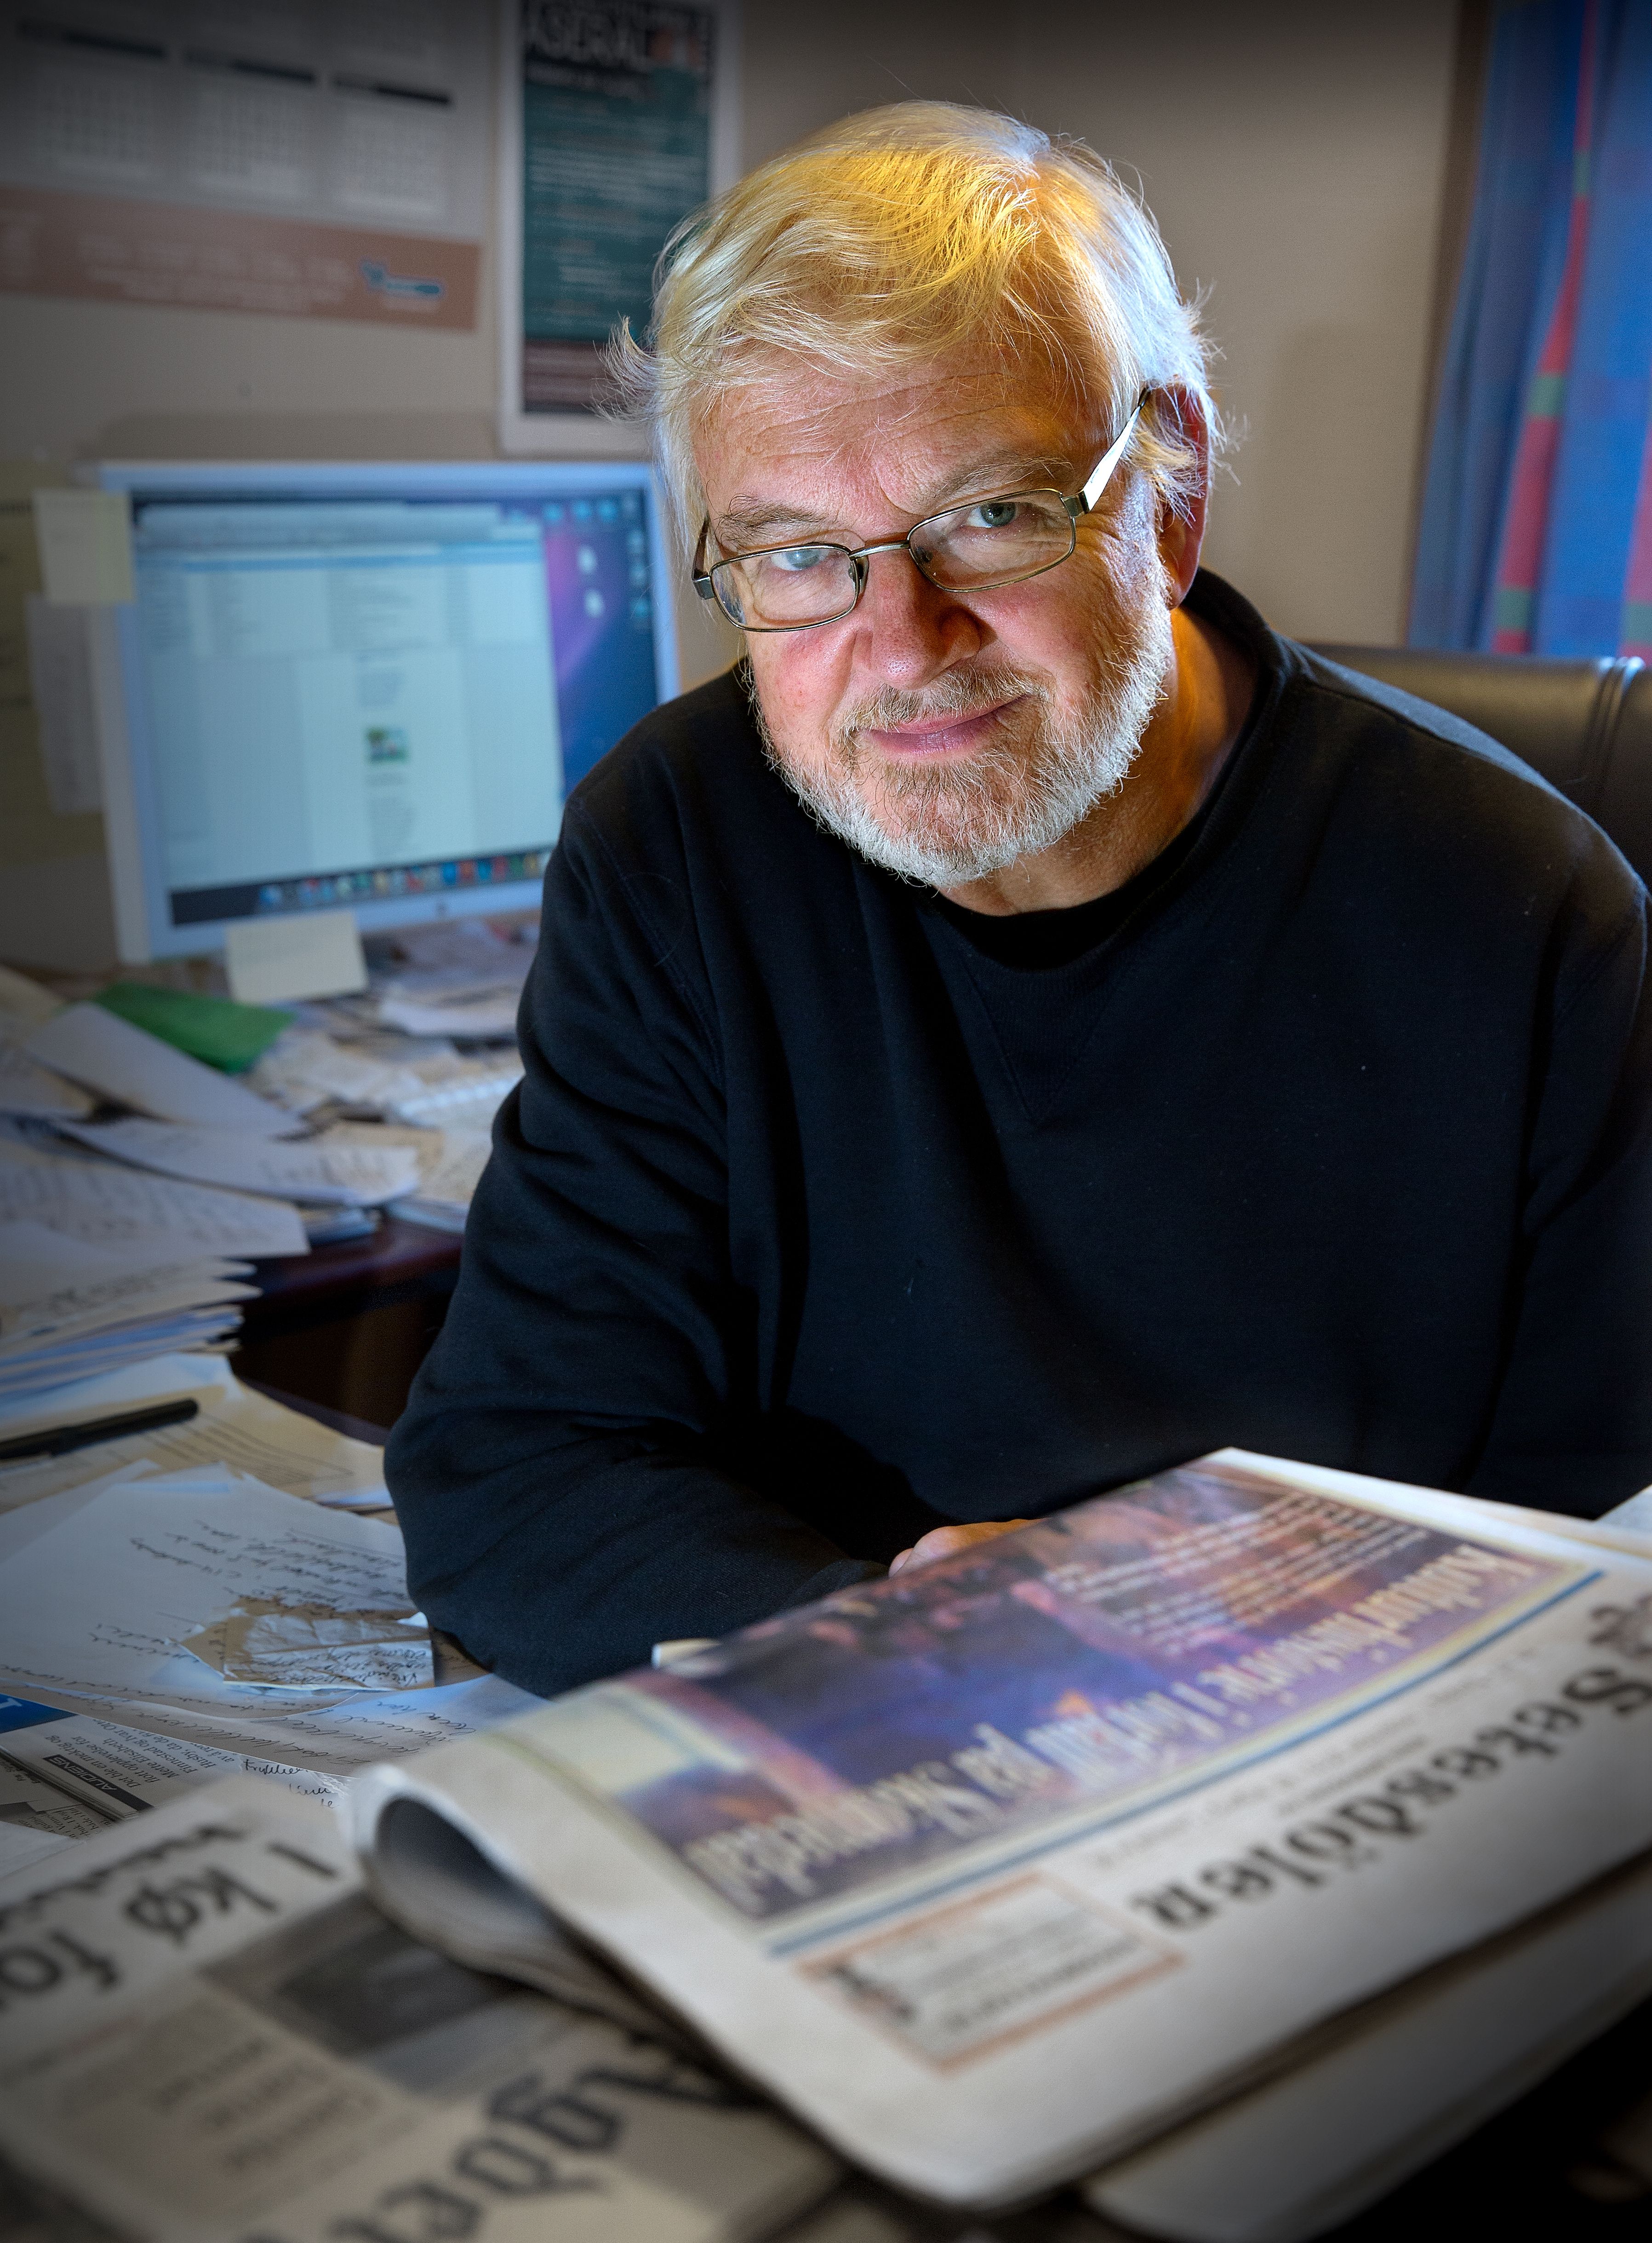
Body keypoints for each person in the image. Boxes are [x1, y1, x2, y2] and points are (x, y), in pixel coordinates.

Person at [387, 104, 1652, 1699]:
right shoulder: (677, 841)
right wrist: (906, 1646)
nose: (900, 643)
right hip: (857, 1722)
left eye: (989, 516)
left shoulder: (1519, 908)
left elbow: (1606, 1546)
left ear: (1170, 494)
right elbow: (516, 1460)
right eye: (797, 556)